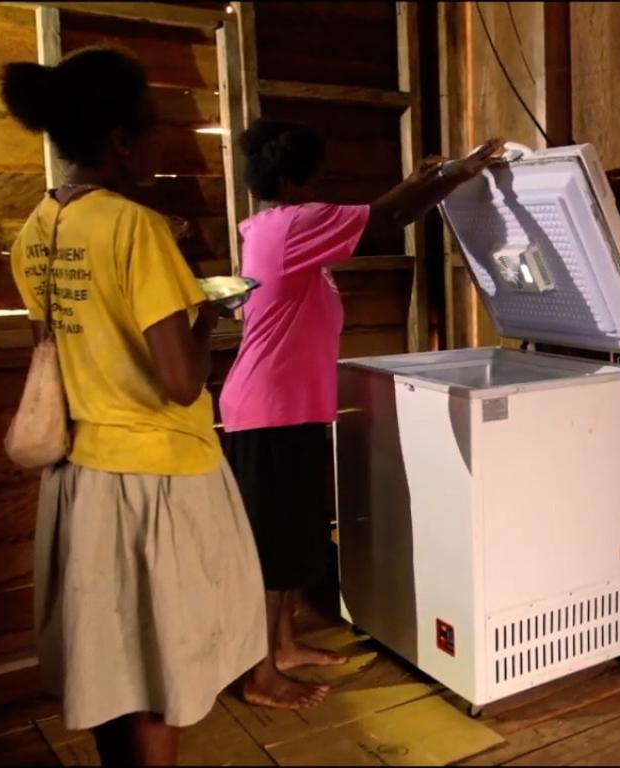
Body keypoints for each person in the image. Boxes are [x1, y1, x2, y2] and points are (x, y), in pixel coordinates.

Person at [1, 48, 272, 765]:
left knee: (111, 662)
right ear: (120, 139)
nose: (162, 142)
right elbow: (180, 384)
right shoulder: (138, 231)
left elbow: (51, 357)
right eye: (152, 128)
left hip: (79, 479)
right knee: (161, 668)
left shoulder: (35, 232)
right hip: (158, 482)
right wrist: (211, 315)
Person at [219, 119, 505, 708]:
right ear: (301, 176)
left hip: (282, 407)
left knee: (291, 538)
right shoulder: (296, 224)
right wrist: (459, 171)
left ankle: (284, 646)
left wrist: (422, 181)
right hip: (268, 412)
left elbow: (389, 208)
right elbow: (388, 218)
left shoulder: (275, 226)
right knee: (271, 550)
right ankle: (259, 676)